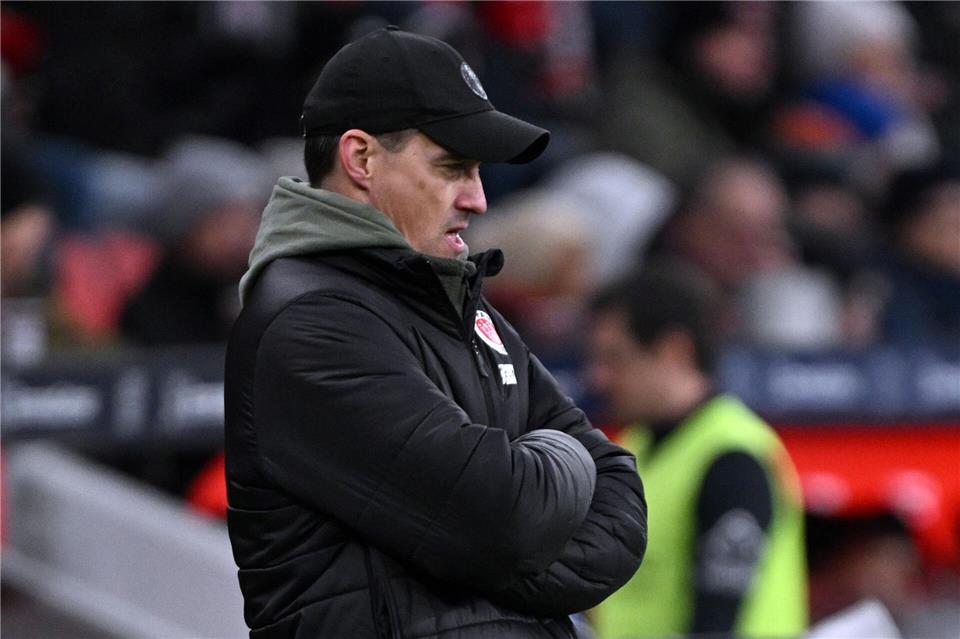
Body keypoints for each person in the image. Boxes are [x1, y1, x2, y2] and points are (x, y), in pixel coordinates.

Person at [224, 27, 647, 638]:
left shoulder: (462, 304)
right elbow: (502, 519)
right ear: (361, 158)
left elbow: (621, 504)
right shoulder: (308, 323)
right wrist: (545, 481)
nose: (476, 198)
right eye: (452, 168)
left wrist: (489, 543)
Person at [587, 262, 807, 638]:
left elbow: (717, 621)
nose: (598, 377)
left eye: (616, 357)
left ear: (675, 351)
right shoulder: (633, 448)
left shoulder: (732, 457)